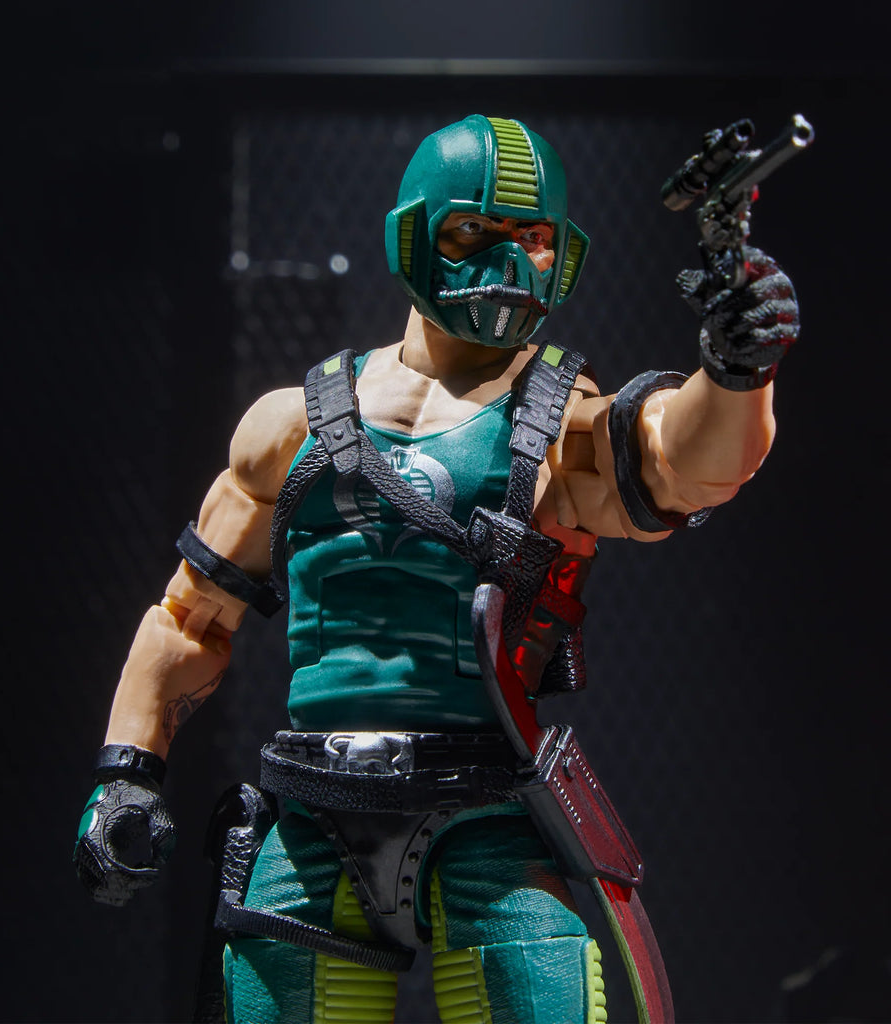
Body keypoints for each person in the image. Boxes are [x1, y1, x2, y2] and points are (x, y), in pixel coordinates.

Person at [74, 114, 799, 1024]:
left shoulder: (560, 425)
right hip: (316, 810)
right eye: (472, 231)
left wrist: (736, 369)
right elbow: (190, 618)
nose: (508, 260)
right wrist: (128, 772)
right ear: (414, 237)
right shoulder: (290, 425)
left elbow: (687, 462)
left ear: (564, 254)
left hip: (485, 808)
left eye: (533, 238)